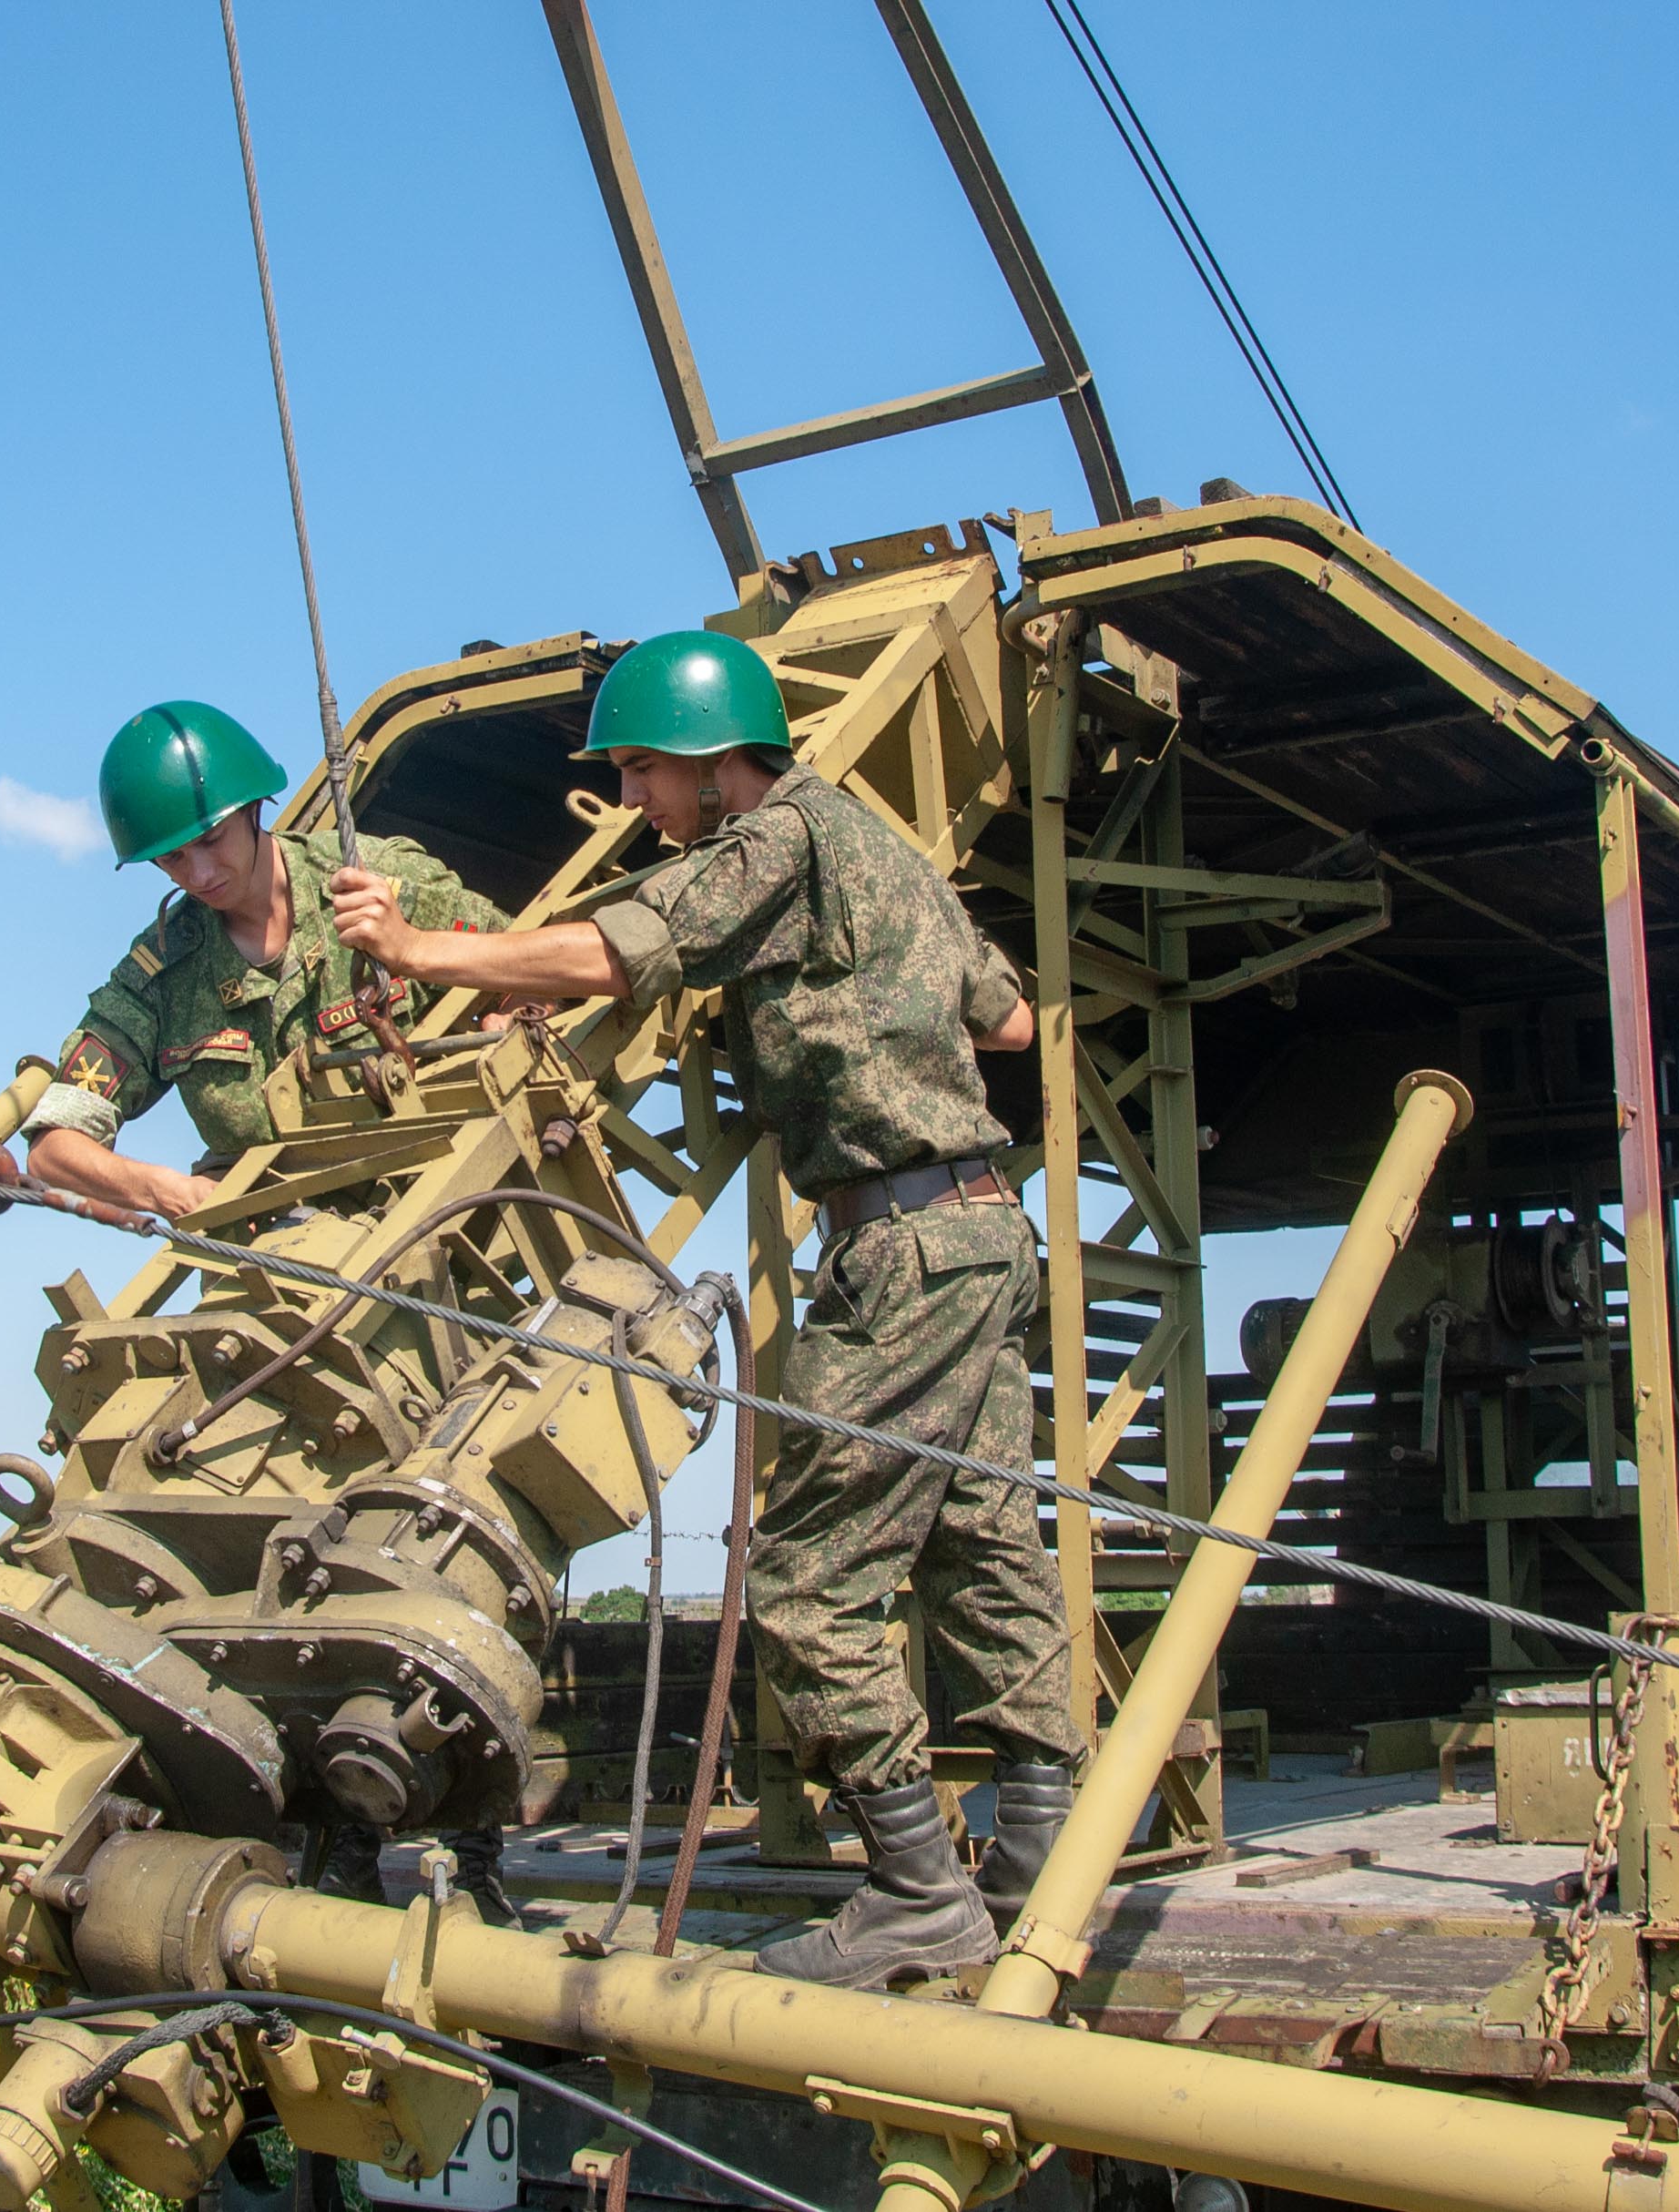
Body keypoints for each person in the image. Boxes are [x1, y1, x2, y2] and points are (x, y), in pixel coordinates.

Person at [331, 629, 1084, 1987]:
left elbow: (623, 952)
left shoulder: (776, 841)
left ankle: (919, 1884)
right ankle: (1038, 1843)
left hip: (899, 1248)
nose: (633, 804)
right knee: (980, 1538)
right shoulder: (886, 852)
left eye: (639, 771)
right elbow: (1010, 1023)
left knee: (804, 1577)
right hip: (981, 1228)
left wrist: (421, 949)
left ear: (703, 753)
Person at [17, 697, 523, 1923]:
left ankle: (478, 1838)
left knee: (465, 1534)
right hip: (283, 1290)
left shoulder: (374, 881)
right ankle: (330, 1834)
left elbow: (531, 975)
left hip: (446, 1262)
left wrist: (416, 952)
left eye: (210, 841)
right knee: (285, 1548)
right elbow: (51, 1142)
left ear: (254, 810)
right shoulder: (162, 977)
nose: (198, 871)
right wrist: (181, 1191)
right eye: (171, 857)